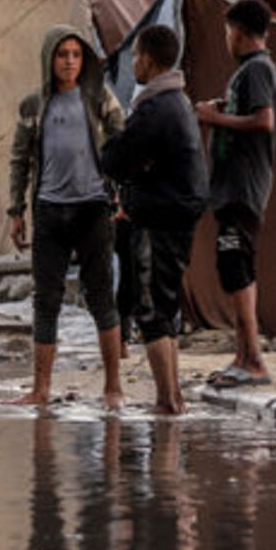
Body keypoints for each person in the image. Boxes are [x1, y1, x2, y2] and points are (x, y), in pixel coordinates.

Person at [7, 25, 126, 409]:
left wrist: (120, 191)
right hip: (48, 210)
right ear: (49, 59)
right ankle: (40, 389)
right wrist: (15, 210)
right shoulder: (33, 105)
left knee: (101, 298)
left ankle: (113, 388)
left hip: (93, 208)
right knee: (46, 300)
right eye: (63, 55)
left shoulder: (97, 98)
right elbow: (19, 159)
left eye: (76, 55)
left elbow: (122, 138)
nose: (70, 62)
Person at [101, 25, 209, 414]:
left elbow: (115, 159)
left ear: (147, 57)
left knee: (151, 310)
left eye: (134, 57)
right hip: (178, 209)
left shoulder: (155, 107)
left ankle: (167, 399)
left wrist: (130, 162)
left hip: (160, 214)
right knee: (165, 304)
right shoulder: (176, 101)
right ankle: (173, 396)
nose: (133, 64)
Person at [196, 0, 276, 387]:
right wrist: (221, 110)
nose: (227, 39)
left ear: (242, 33)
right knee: (234, 270)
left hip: (244, 187)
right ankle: (243, 357)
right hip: (231, 188)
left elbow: (264, 121)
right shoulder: (245, 74)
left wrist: (216, 118)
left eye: (229, 32)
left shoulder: (258, 70)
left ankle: (254, 361)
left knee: (239, 270)